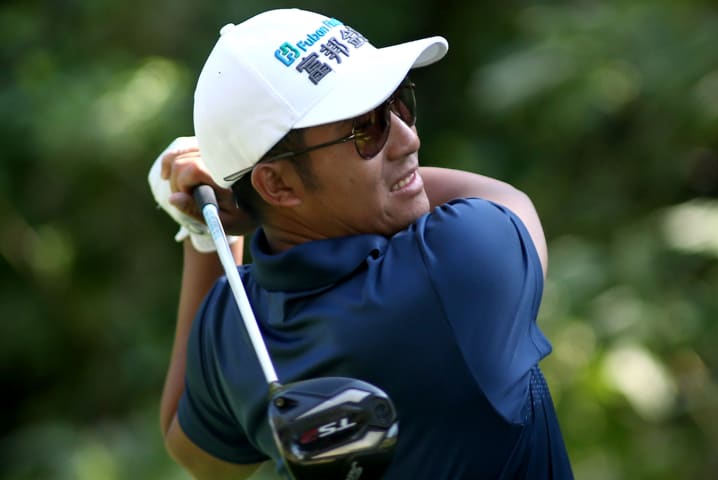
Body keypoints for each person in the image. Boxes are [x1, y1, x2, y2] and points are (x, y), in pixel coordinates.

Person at [151, 8, 573, 480]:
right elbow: (505, 198)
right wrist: (243, 210)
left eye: (400, 104)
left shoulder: (231, 326)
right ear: (279, 185)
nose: (408, 138)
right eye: (366, 129)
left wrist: (208, 236)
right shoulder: (458, 264)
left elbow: (197, 456)